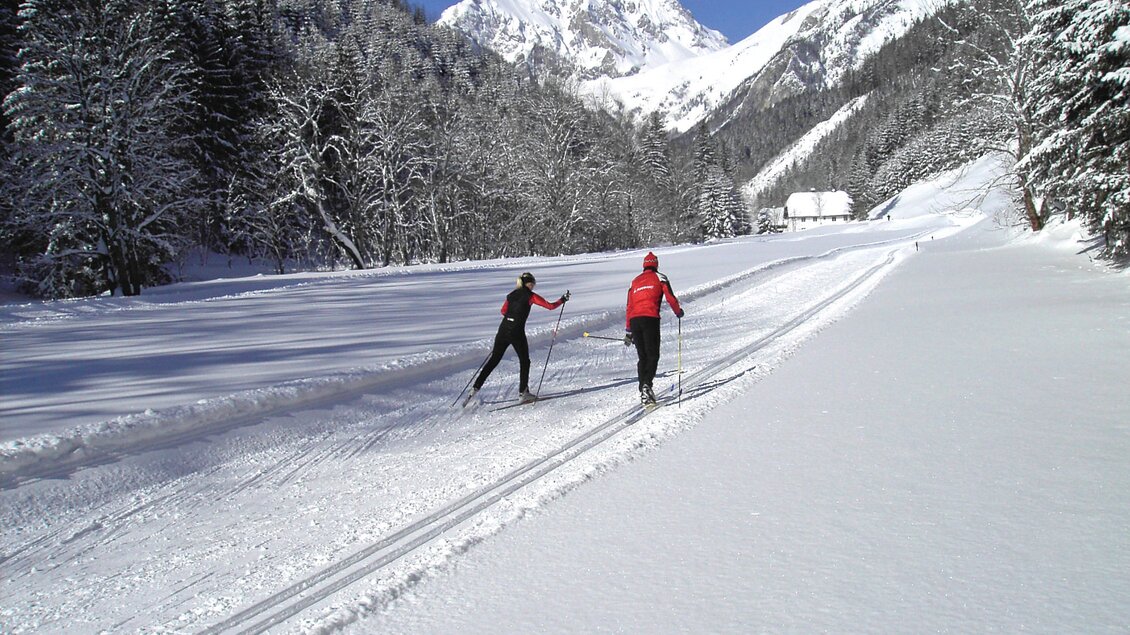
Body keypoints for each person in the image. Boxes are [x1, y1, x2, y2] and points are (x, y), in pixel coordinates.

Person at [467, 272, 569, 405]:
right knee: (524, 361)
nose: (533, 286)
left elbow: (503, 311)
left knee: (494, 360)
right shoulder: (530, 296)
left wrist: (514, 312)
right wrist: (563, 299)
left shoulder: (511, 295)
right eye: (533, 284)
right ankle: (523, 393)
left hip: (503, 330)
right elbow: (550, 306)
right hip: (516, 331)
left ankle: (475, 388)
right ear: (530, 283)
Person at [624, 252, 684, 406]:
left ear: (644, 265)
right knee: (653, 355)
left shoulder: (634, 282)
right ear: (656, 264)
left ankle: (643, 389)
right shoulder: (660, 277)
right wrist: (678, 312)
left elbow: (629, 306)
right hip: (650, 319)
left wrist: (628, 331)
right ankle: (647, 386)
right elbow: (670, 297)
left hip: (635, 320)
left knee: (642, 356)